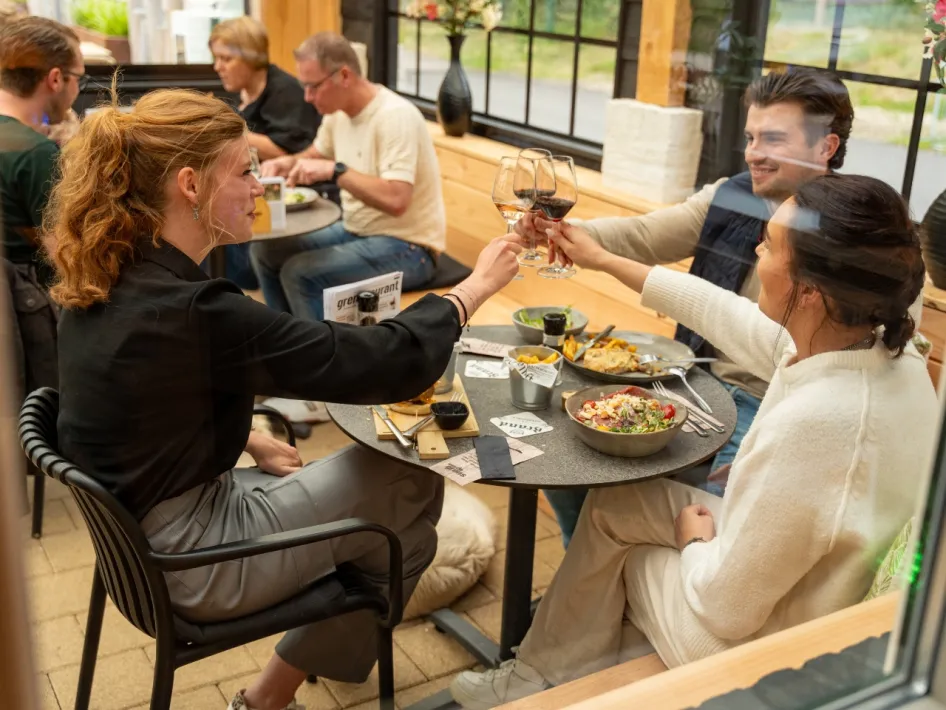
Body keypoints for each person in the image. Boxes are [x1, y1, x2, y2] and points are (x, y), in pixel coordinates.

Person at [45, 86, 521, 710]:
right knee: (411, 487)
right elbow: (375, 361)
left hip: (140, 541)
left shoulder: (114, 274)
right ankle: (276, 690)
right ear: (190, 185)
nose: (260, 185)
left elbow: (125, 397)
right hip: (190, 562)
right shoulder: (193, 311)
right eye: (246, 171)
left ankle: (283, 680)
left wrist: (242, 436)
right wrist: (473, 288)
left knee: (396, 516)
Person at [450, 173, 937, 709]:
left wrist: (692, 541)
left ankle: (547, 682)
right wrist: (602, 258)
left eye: (771, 245)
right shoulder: (886, 351)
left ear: (810, 291)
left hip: (771, 649)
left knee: (618, 559)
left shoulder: (823, 423)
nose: (757, 249)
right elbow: (721, 311)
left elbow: (726, 609)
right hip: (810, 580)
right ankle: (551, 666)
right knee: (618, 501)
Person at [518, 67, 856, 546]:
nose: (754, 153)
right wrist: (565, 233)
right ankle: (586, 565)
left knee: (715, 525)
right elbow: (643, 235)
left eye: (773, 139)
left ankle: (614, 582)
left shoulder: (846, 230)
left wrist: (600, 257)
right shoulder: (731, 194)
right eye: (751, 137)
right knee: (563, 449)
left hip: (768, 406)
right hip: (691, 381)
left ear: (827, 147)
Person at [253, 31, 445, 321]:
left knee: (300, 273)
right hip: (356, 229)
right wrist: (287, 162)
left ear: (344, 75)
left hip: (410, 246)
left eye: (312, 86)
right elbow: (315, 154)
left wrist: (336, 170)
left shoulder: (395, 117)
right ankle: (286, 346)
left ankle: (323, 360)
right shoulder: (337, 113)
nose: (307, 97)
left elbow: (397, 200)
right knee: (264, 252)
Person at [209, 15, 322, 290]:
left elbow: (287, 150)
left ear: (250, 57)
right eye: (216, 58)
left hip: (292, 197)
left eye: (226, 59)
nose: (218, 67)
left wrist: (230, 131)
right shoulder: (246, 92)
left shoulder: (286, 92)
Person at [0, 15, 84, 288]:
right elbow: (68, 259)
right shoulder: (35, 153)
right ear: (56, 79)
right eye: (78, 78)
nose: (77, 89)